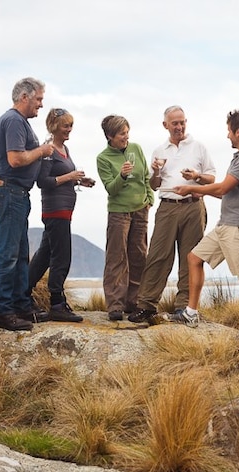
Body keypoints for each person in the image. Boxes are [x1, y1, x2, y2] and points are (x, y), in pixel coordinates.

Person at [171, 110, 239, 329]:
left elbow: (223, 187)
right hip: (226, 225)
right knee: (194, 258)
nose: (227, 135)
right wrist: (199, 191)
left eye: (229, 131)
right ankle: (191, 313)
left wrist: (192, 188)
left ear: (238, 131)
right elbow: (224, 191)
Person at [128, 106, 216, 325]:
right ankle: (146, 306)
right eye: (174, 123)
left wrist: (196, 176)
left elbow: (212, 179)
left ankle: (184, 307)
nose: (179, 127)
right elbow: (154, 185)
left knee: (191, 258)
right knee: (158, 255)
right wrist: (156, 171)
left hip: (193, 206)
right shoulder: (160, 150)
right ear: (165, 125)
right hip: (167, 207)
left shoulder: (199, 147)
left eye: (182, 122)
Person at [0, 77, 54, 331]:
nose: (41, 104)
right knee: (8, 255)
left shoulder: (18, 122)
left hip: (17, 194)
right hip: (10, 192)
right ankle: (3, 312)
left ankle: (21, 306)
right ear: (24, 97)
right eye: (38, 99)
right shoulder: (14, 121)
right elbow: (15, 159)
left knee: (19, 255)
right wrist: (42, 151)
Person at [26, 108, 96, 323]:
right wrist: (70, 176)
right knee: (61, 257)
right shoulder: (48, 151)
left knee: (45, 256)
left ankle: (22, 292)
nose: (69, 130)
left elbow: (63, 178)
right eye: (66, 126)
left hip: (65, 210)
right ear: (55, 127)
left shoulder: (64, 148)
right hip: (55, 211)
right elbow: (43, 182)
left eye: (71, 125)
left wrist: (79, 181)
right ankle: (57, 304)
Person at [97, 115, 155, 324]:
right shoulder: (103, 158)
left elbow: (146, 177)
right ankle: (115, 304)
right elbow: (110, 189)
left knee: (139, 255)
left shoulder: (136, 149)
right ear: (110, 136)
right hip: (119, 212)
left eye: (127, 132)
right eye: (122, 134)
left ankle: (134, 301)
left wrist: (149, 199)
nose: (126, 137)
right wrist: (121, 176)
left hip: (141, 210)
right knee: (117, 257)